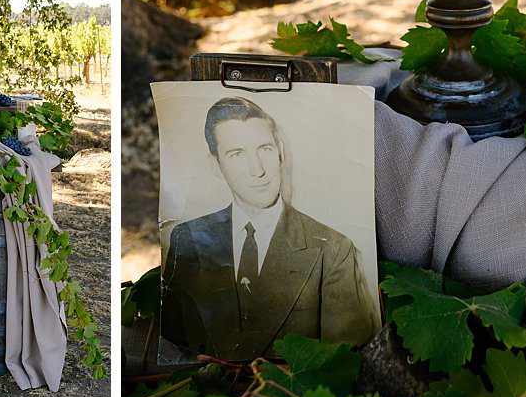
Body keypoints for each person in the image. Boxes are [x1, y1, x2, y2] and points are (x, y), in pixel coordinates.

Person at [162, 96, 378, 360]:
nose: (257, 170)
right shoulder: (188, 239)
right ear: (216, 165)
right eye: (236, 154)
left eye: (264, 149)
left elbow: (342, 363)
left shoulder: (332, 250)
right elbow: (173, 347)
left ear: (280, 154)